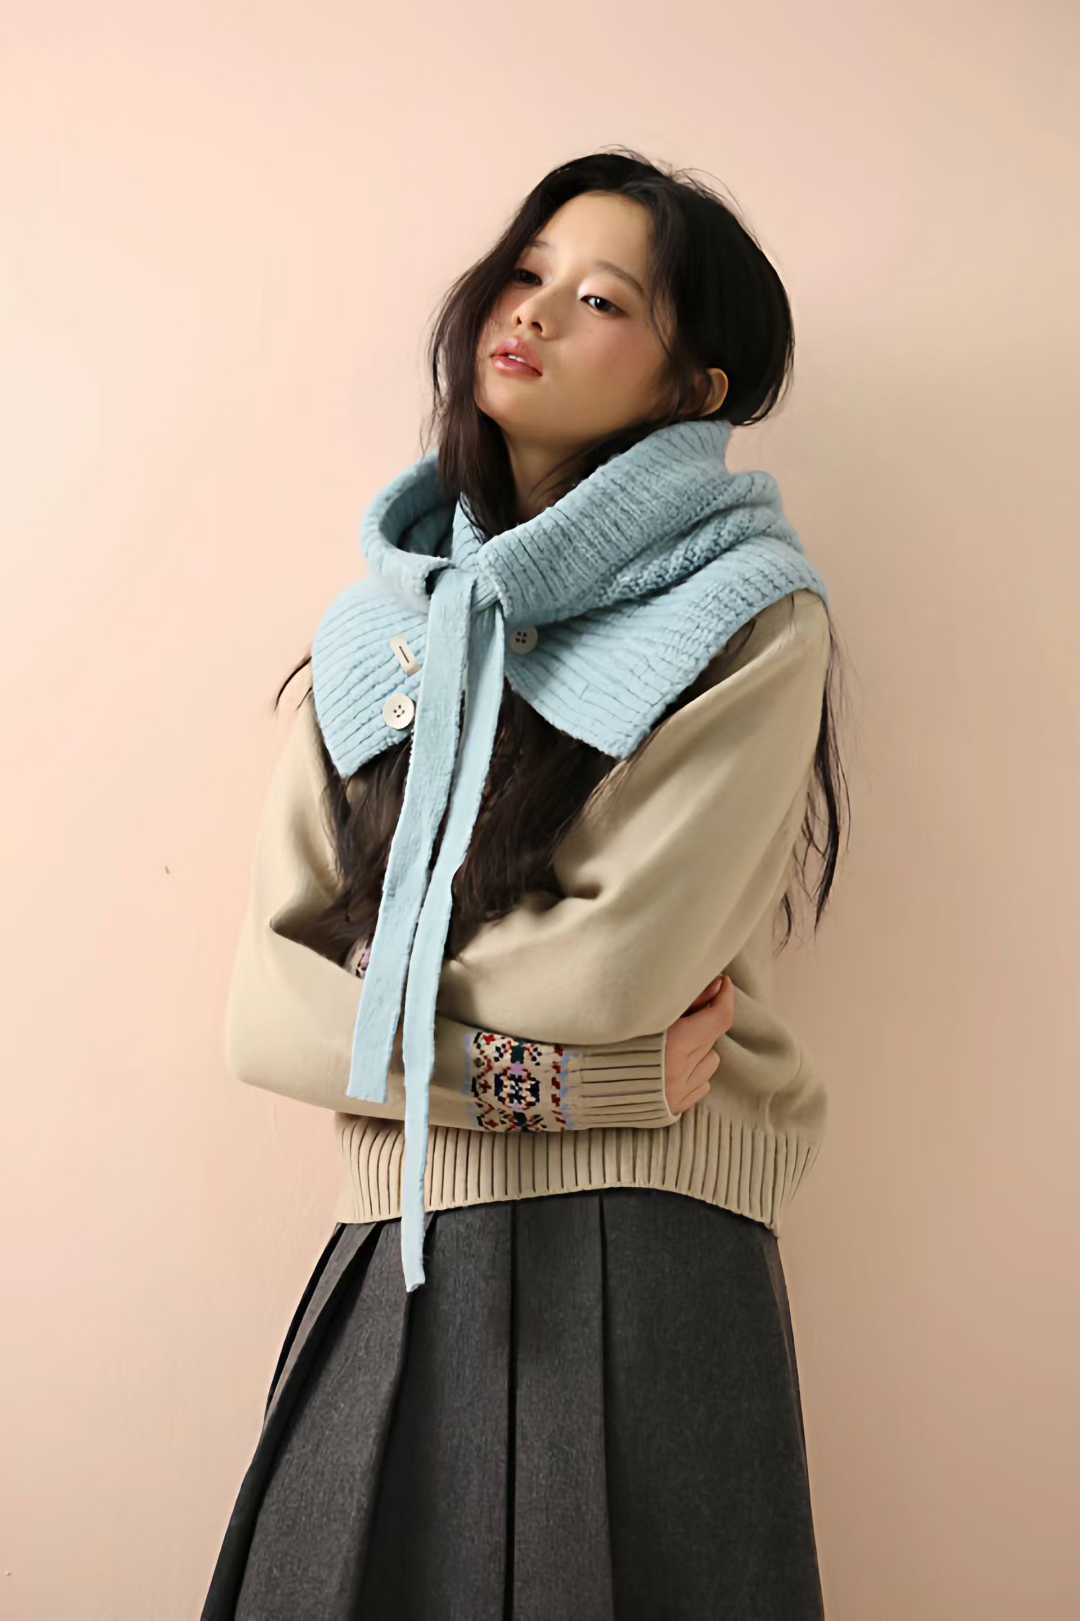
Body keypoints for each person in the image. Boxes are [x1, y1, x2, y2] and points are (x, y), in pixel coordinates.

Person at [202, 147, 850, 1620]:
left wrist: (393, 1005)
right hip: (397, 1246)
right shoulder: (374, 641)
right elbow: (264, 1013)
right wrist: (571, 1084)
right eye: (526, 271)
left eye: (603, 297)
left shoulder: (749, 617)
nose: (535, 311)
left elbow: (613, 971)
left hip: (648, 1245)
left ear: (696, 388)